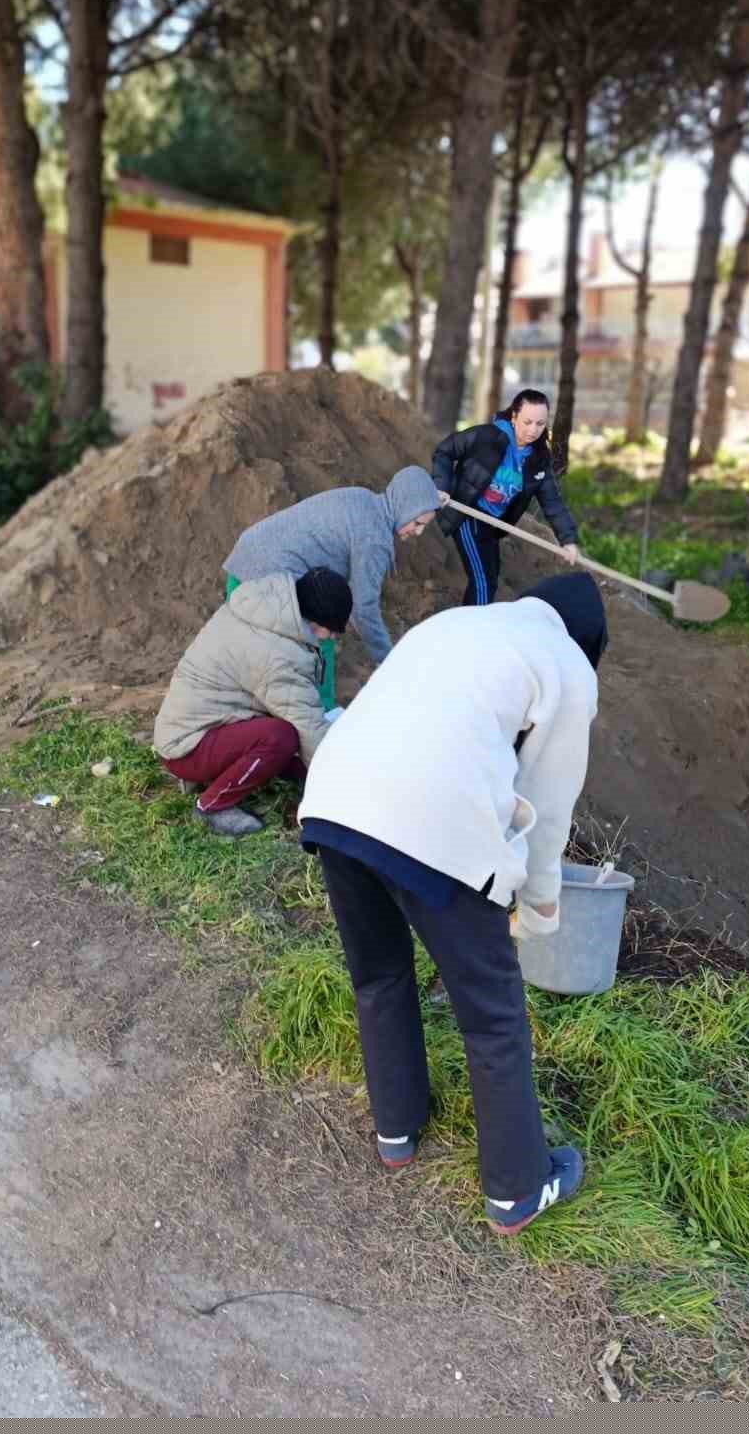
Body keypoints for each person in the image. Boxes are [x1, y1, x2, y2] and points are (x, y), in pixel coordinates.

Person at [297, 572, 607, 1235]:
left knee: (378, 974)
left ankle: (397, 1130)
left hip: (335, 796)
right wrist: (540, 911)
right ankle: (518, 1190)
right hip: (430, 817)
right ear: (584, 642)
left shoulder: (460, 624)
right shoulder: (569, 669)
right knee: (494, 1016)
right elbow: (548, 811)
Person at [154, 567, 353, 838]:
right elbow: (306, 725)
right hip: (186, 746)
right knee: (280, 738)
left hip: (191, 724)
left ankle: (230, 773)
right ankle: (212, 806)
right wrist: (344, 782)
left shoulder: (264, 608)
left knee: (291, 746)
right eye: (331, 631)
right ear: (316, 622)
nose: (331, 638)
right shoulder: (275, 655)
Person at [221, 467, 440, 710]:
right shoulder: (375, 539)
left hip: (244, 559)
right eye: (417, 522)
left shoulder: (363, 498)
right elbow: (363, 608)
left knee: (243, 656)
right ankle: (322, 714)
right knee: (321, 632)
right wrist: (388, 660)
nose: (418, 532)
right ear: (405, 505)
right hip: (267, 578)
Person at [432, 389, 580, 606]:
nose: (533, 430)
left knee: (490, 581)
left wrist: (568, 540)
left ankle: (464, 628)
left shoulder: (538, 459)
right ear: (513, 416)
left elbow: (552, 502)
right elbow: (444, 451)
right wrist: (441, 486)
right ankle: (474, 633)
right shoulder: (486, 437)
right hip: (467, 512)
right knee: (482, 581)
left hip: (492, 525)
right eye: (527, 422)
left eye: (540, 424)